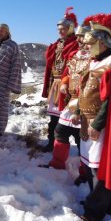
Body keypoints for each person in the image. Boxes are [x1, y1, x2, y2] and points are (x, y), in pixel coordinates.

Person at [77, 13, 111, 221]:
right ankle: (102, 204)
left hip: (104, 124)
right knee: (92, 165)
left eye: (90, 44)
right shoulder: (96, 62)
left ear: (101, 42)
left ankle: (94, 211)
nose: (87, 48)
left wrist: (98, 124)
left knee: (100, 168)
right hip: (87, 120)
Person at [39, 24, 91, 185]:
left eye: (84, 37)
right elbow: (69, 72)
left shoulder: (95, 58)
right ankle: (57, 164)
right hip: (72, 100)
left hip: (88, 103)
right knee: (60, 131)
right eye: (80, 37)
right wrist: (65, 82)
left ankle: (86, 172)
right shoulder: (76, 55)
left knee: (82, 138)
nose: (80, 40)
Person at [41, 7, 79, 152]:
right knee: (54, 119)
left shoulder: (77, 44)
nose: (60, 31)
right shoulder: (57, 45)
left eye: (63, 29)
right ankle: (52, 144)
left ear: (70, 28)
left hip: (69, 85)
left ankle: (80, 148)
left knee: (69, 118)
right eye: (59, 29)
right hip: (55, 85)